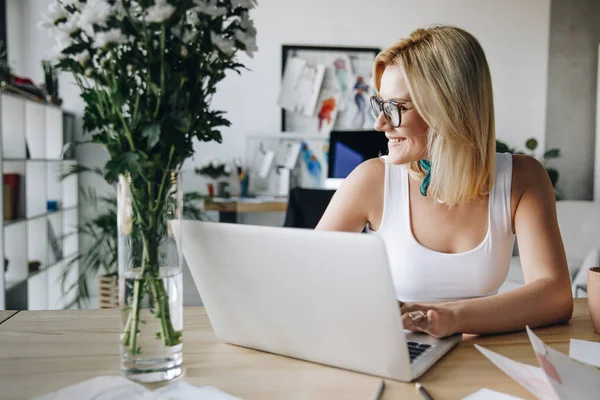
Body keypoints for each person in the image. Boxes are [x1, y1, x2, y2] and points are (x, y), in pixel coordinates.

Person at [316, 26, 573, 338]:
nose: (379, 123)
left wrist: (450, 317)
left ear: (449, 108)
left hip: (482, 357)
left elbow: (555, 296)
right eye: (380, 104)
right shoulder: (372, 180)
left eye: (397, 107)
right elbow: (310, 277)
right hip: (400, 354)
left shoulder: (523, 178)